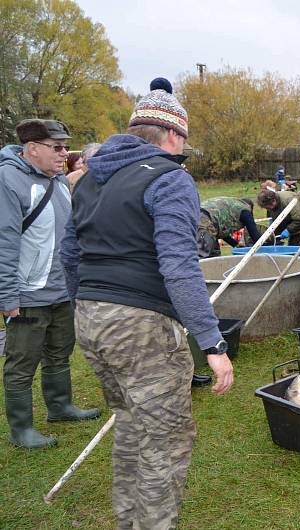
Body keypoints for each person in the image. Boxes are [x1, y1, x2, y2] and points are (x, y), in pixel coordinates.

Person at [60, 77, 234, 529]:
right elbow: (179, 265)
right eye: (184, 141)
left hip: (91, 319)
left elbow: (70, 256)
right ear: (173, 135)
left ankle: (129, 522)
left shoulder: (90, 182)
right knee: (164, 441)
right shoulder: (170, 178)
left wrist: (91, 304)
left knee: (131, 427)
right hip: (140, 326)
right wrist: (212, 344)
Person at [0, 119, 101, 449]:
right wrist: (8, 296)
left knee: (59, 352)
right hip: (28, 295)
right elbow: (5, 243)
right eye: (57, 148)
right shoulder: (8, 180)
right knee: (21, 362)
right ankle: (22, 430)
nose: (64, 155)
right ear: (32, 149)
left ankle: (60, 407)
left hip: (62, 290)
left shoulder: (57, 180)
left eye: (65, 147)